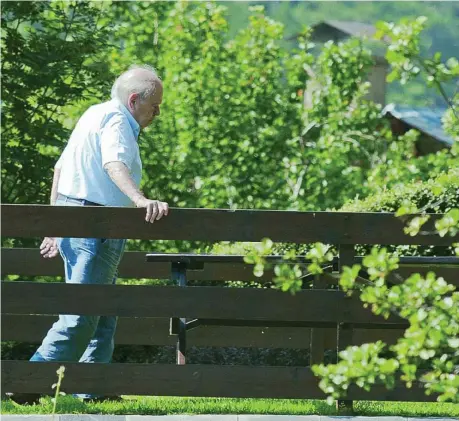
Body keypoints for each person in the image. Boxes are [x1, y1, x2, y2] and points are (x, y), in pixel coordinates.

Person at [8, 64, 169, 405]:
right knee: (82, 315)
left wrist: (55, 225)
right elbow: (114, 164)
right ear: (134, 99)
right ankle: (27, 381)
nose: (158, 111)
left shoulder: (94, 113)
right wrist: (140, 199)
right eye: (154, 104)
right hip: (96, 228)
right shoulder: (117, 123)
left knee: (103, 310)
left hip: (74, 220)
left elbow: (60, 168)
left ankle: (94, 387)